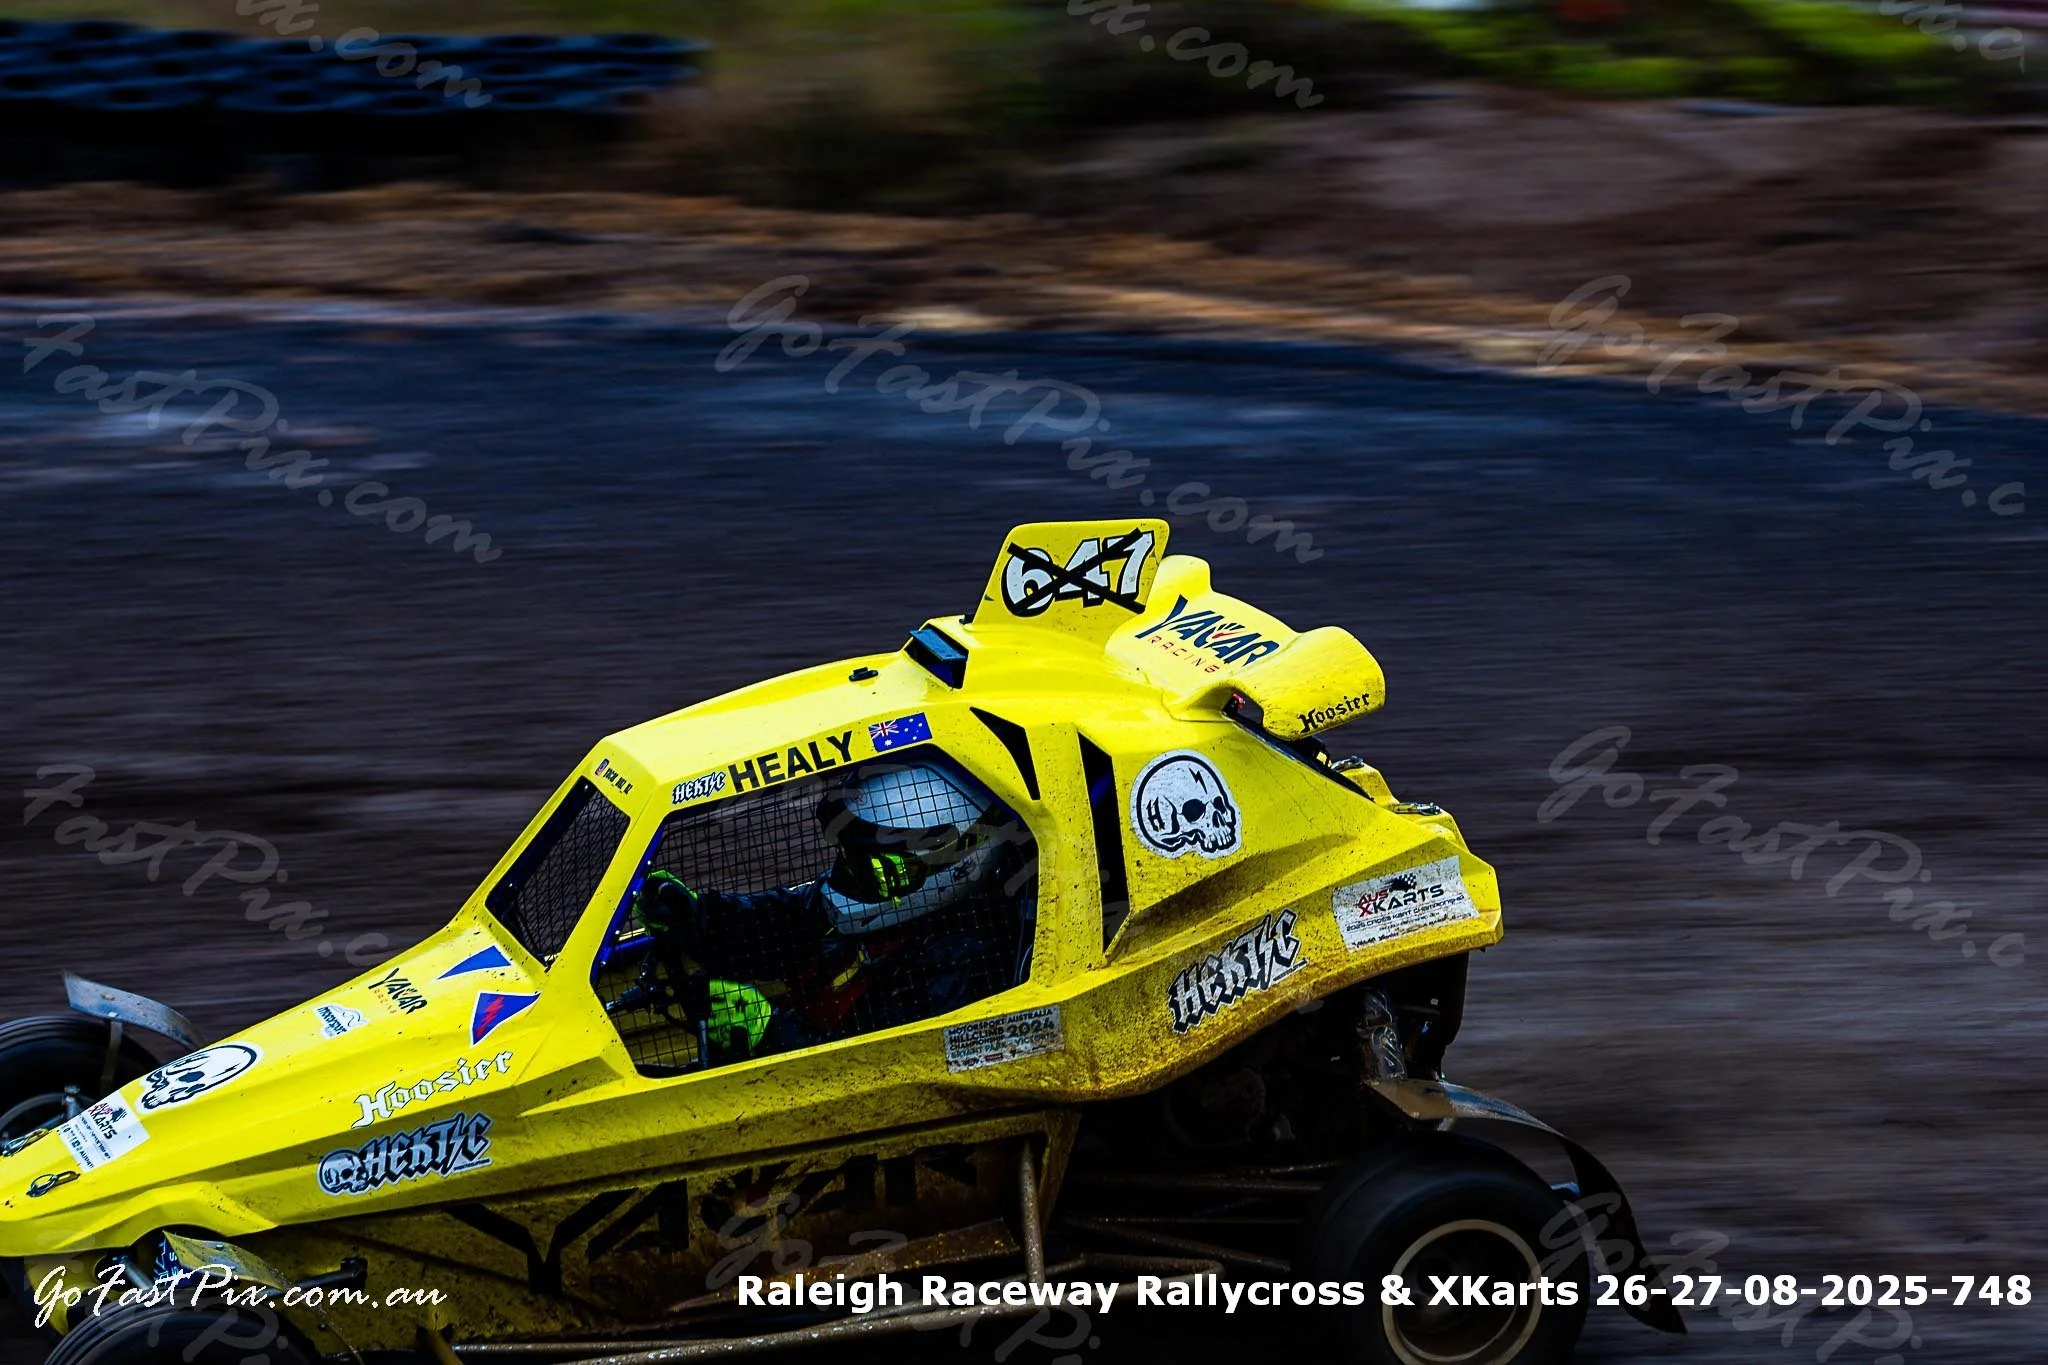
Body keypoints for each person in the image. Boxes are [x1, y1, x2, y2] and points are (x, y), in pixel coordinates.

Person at [630, 761, 1035, 1062]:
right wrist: (700, 919)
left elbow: (871, 1066)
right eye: (845, 857)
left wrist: (766, 1032)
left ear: (952, 866)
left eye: (870, 867)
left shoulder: (969, 967)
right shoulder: (877, 906)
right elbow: (789, 922)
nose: (846, 876)